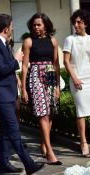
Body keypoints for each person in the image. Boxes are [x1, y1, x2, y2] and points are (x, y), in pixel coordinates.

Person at [0, 13, 44, 175]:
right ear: (5, 28)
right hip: (0, 94)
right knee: (13, 128)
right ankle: (28, 163)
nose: (12, 28)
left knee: (5, 129)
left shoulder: (3, 43)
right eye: (11, 26)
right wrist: (17, 59)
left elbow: (6, 69)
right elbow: (2, 69)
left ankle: (3, 163)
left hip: (8, 92)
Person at [63, 9, 90, 158]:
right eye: (74, 22)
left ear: (86, 23)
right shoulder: (70, 40)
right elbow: (66, 62)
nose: (76, 25)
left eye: (79, 22)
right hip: (77, 79)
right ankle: (83, 142)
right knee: (81, 112)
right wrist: (74, 78)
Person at [21, 13, 61, 165]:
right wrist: (23, 88)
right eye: (34, 25)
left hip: (51, 75)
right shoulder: (28, 41)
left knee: (49, 112)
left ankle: (44, 143)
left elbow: (56, 64)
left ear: (46, 25)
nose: (36, 27)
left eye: (39, 24)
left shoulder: (53, 41)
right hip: (35, 76)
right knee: (42, 113)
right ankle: (50, 151)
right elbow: (25, 66)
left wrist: (58, 86)